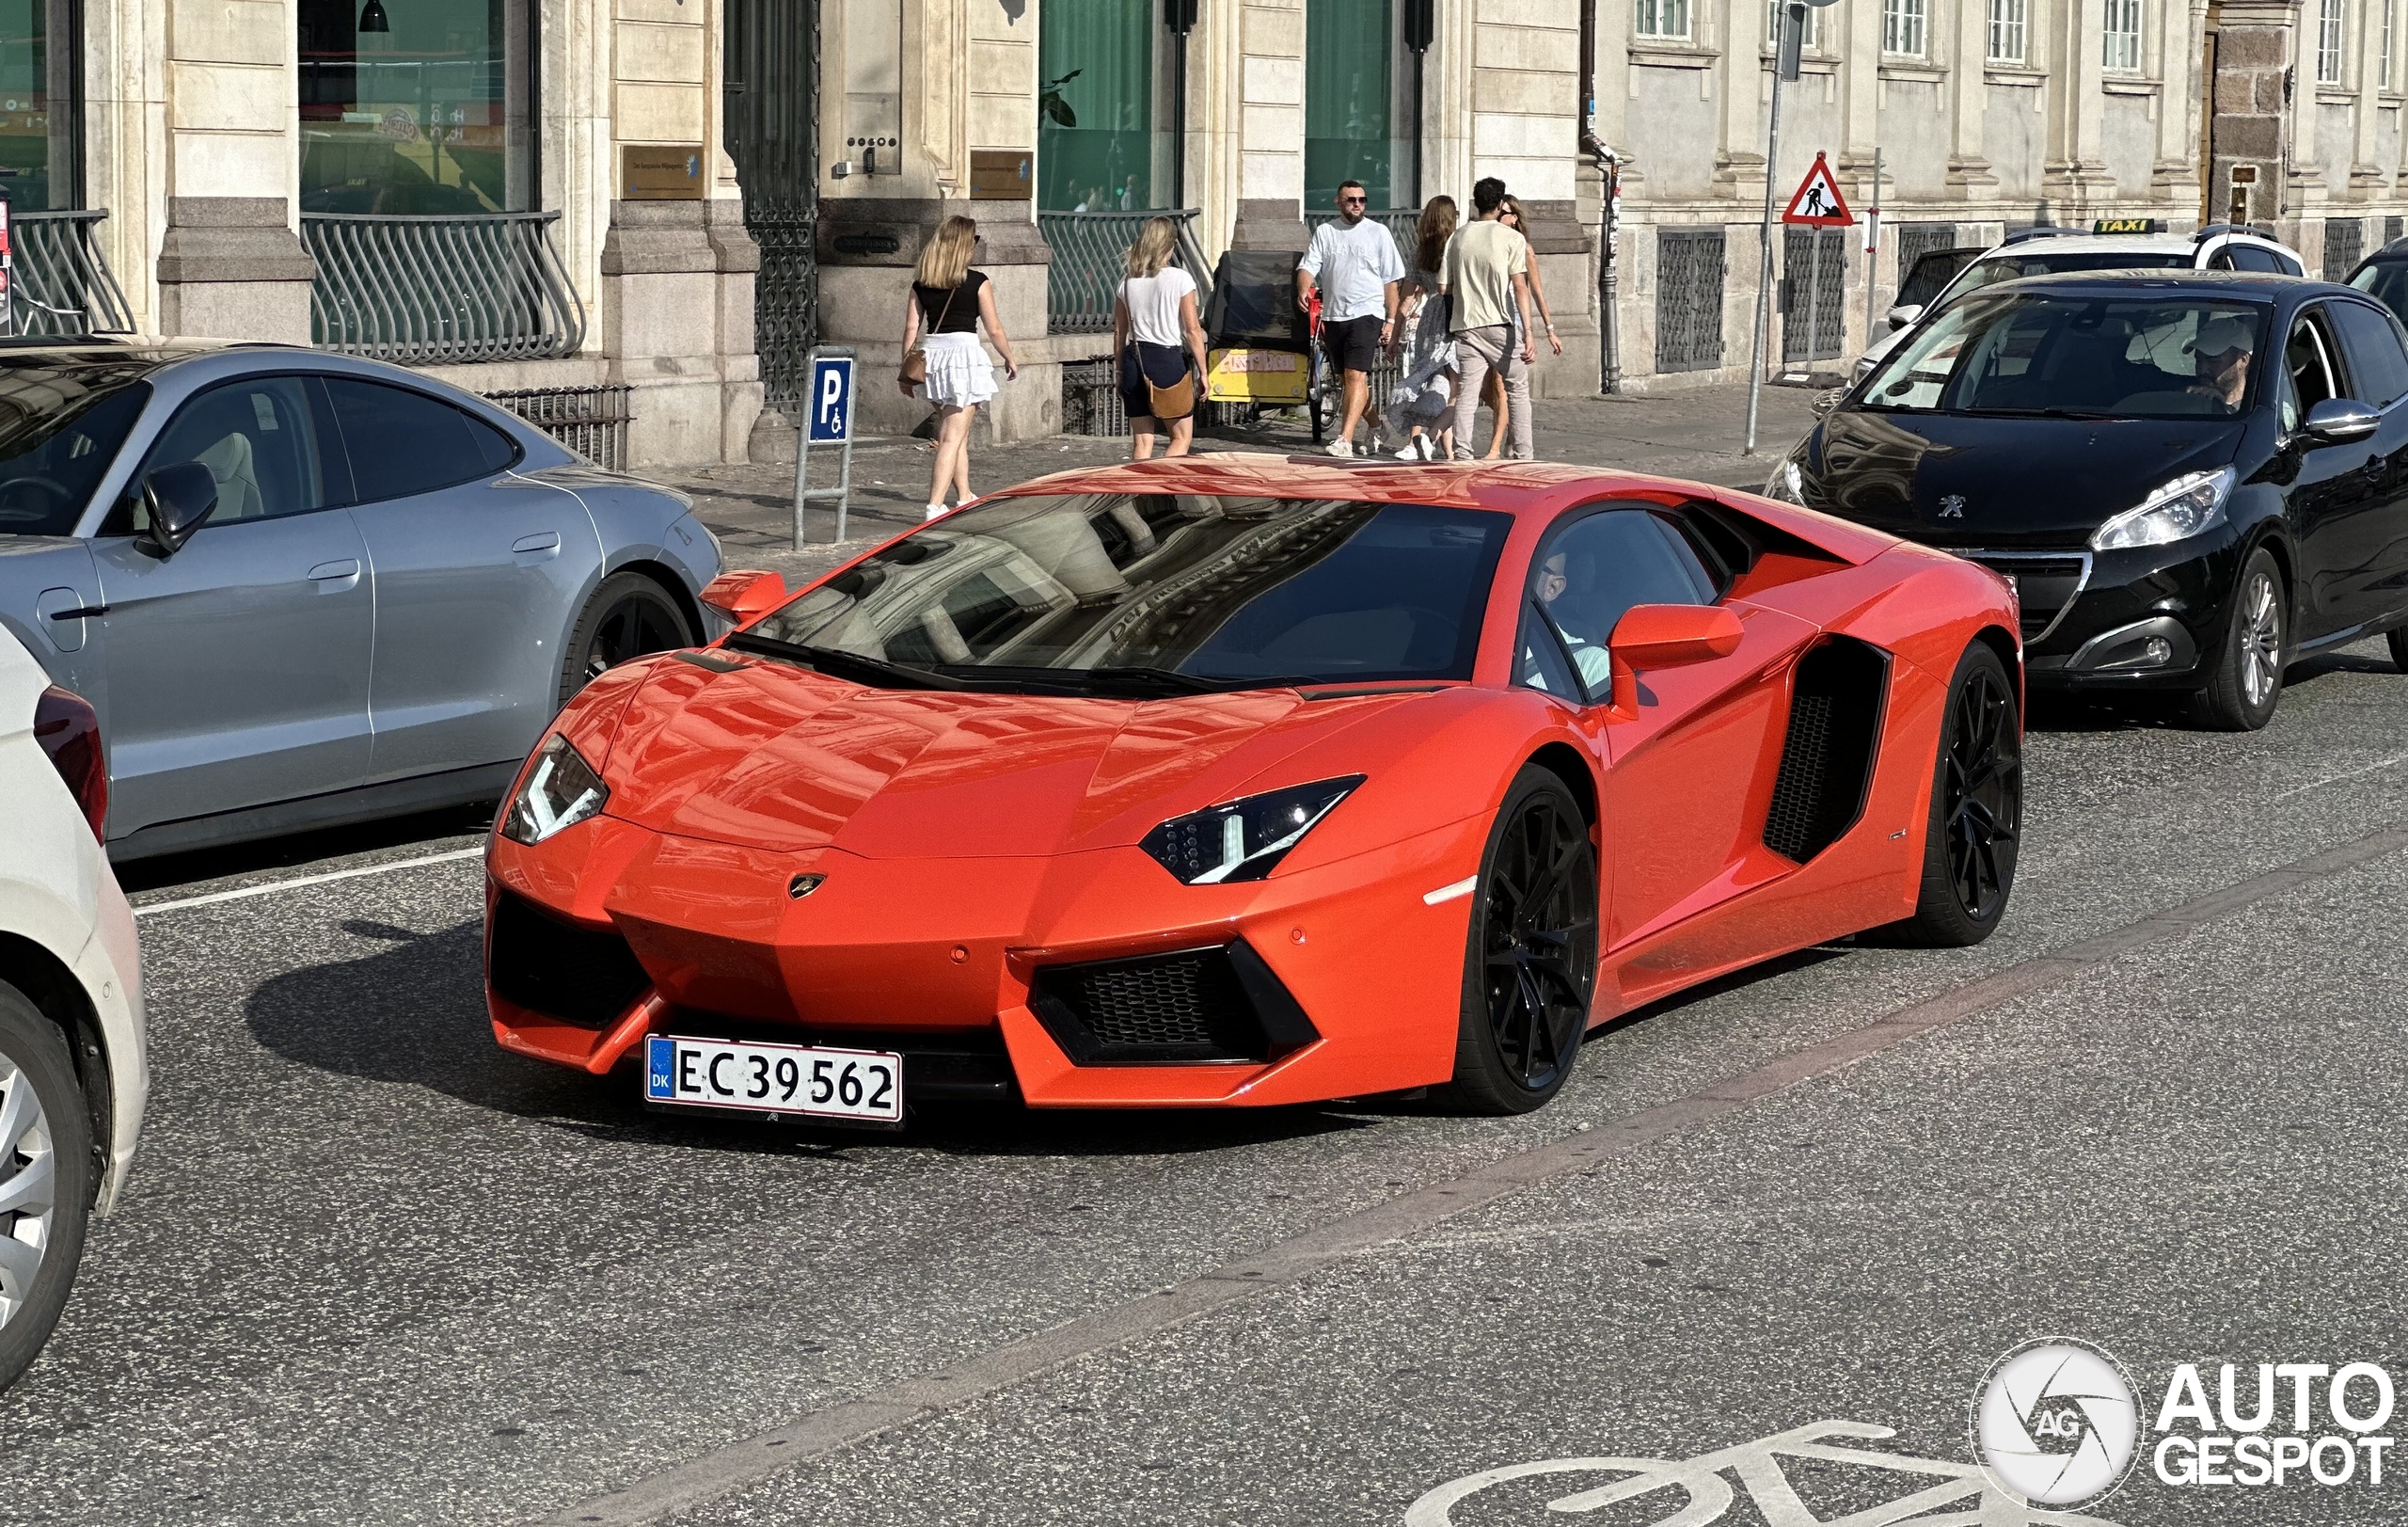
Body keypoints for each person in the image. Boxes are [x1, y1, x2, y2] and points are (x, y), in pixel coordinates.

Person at [900, 214, 1019, 519]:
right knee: (951, 438)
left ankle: (964, 495)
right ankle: (934, 505)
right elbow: (994, 330)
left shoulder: (921, 282)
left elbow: (911, 329)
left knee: (958, 434)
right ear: (965, 245)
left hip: (933, 356)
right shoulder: (978, 281)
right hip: (962, 357)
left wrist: (905, 371)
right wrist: (1009, 356)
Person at [1296, 180, 1405, 457]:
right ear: (1338, 202)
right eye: (1351, 200)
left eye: (1362, 200)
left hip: (1367, 313)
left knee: (1357, 375)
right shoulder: (1326, 231)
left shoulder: (1378, 233)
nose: (1357, 204)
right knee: (1350, 381)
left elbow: (1391, 280)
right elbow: (1309, 265)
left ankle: (1344, 439)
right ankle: (1376, 425)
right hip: (1334, 314)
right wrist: (1303, 288)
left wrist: (1391, 320)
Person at [1443, 177, 1538, 461]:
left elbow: (1443, 287)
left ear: (1476, 203)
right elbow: (1520, 287)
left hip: (1466, 324)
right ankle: (1523, 454)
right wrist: (1529, 333)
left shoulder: (1458, 236)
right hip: (1499, 323)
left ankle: (1461, 452)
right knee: (1517, 389)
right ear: (1499, 204)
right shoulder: (1512, 238)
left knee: (1467, 392)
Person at [1112, 216, 1212, 460]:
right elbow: (1192, 330)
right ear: (1170, 246)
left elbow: (1119, 332)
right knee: (1180, 437)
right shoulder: (1180, 279)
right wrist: (1204, 373)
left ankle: (1142, 493)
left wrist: (1119, 371)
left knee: (1143, 443)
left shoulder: (1126, 281)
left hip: (1134, 360)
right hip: (1166, 359)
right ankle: (1162, 491)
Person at [1480, 196, 1562, 459]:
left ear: (1513, 217)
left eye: (1502, 212)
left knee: (1500, 386)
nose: (1496, 216)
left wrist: (1549, 330)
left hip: (1511, 319)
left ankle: (1495, 448)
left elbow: (1536, 292)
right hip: (1486, 318)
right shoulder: (1487, 242)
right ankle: (1515, 432)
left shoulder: (1524, 248)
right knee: (1485, 390)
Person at [1389, 196, 1460, 461]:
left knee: (1431, 377)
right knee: (1456, 386)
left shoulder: (1419, 251)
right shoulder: (1456, 246)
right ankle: (1435, 439)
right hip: (1455, 314)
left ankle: (1437, 447)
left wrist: (1395, 335)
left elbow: (1406, 299)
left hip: (1430, 317)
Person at [2187, 313, 2254, 414]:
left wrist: (2222, 408)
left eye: (2213, 361)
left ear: (2243, 360)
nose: (2202, 370)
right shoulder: (2188, 406)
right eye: (2198, 360)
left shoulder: (2263, 412)